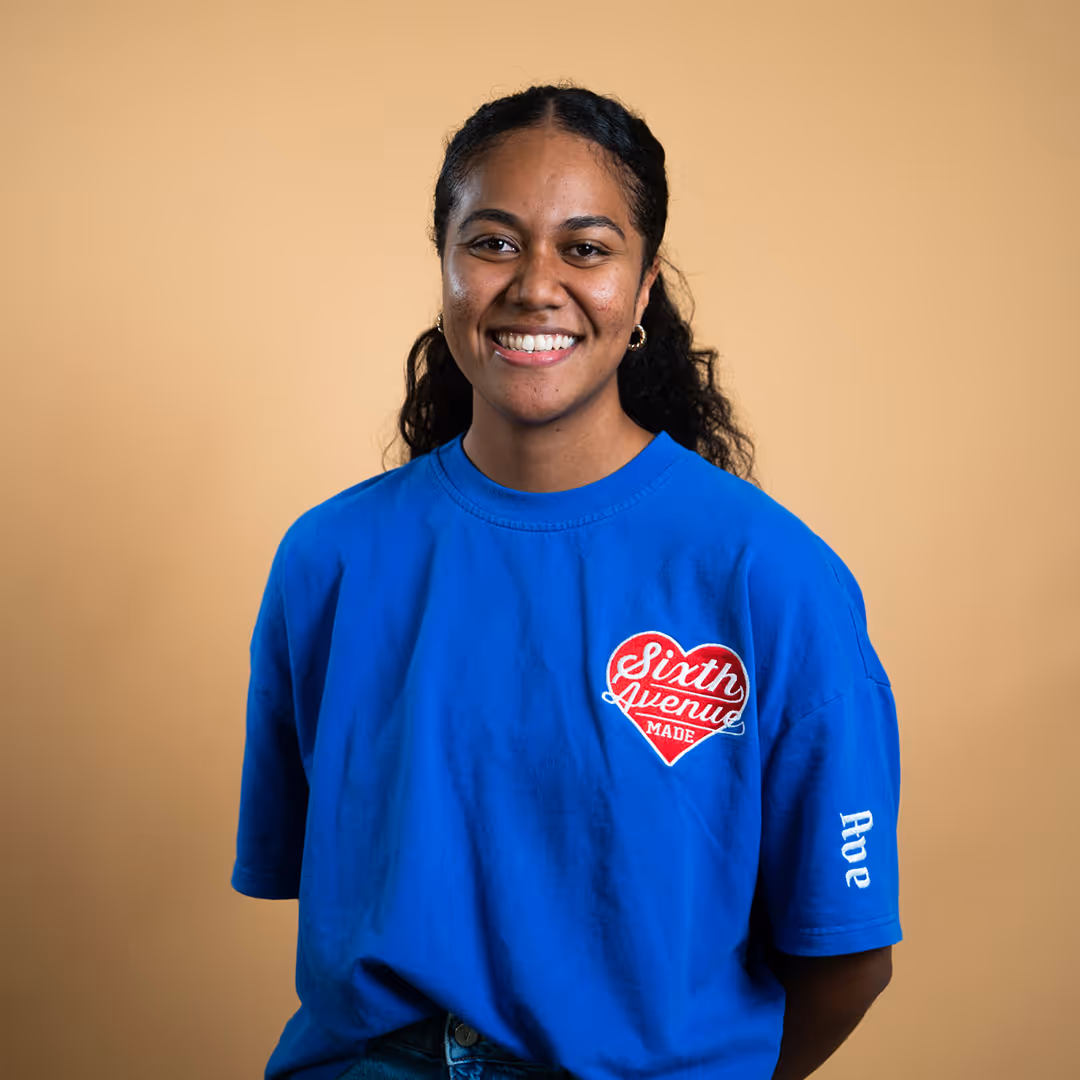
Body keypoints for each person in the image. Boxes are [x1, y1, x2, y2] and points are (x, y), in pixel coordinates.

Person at [233, 85, 901, 1080]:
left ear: (643, 287)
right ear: (445, 265)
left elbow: (847, 958)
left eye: (585, 248)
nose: (536, 285)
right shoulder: (328, 559)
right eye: (493, 243)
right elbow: (322, 882)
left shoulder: (771, 577)